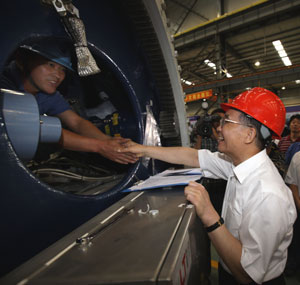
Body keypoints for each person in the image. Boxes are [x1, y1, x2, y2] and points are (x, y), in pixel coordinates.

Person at [121, 87, 296, 284]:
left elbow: (247, 274)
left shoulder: (268, 194)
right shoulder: (236, 164)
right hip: (227, 270)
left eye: (226, 121)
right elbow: (192, 155)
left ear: (249, 134)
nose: (219, 128)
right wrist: (142, 149)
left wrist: (209, 214)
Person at [0, 36, 137, 165]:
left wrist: (110, 142)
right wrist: (100, 147)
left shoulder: (48, 95)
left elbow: (77, 122)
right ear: (22, 61)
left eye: (63, 69)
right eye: (51, 65)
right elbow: (34, 128)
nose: (58, 75)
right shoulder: (4, 86)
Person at [284, 151, 300, 276]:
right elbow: (292, 182)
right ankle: (291, 266)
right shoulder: (297, 156)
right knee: (295, 241)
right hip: (299, 207)